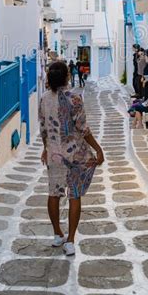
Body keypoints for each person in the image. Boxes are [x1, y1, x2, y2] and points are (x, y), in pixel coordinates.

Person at [39, 61, 104, 256]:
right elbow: (83, 129)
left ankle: (57, 233)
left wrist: (46, 148)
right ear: (67, 77)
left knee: (53, 193)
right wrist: (98, 149)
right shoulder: (75, 98)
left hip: (54, 155)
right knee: (74, 195)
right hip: (74, 153)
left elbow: (43, 127)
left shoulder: (43, 98)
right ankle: (70, 240)